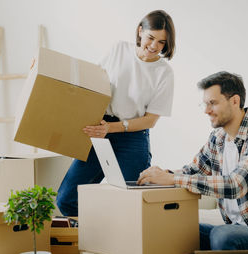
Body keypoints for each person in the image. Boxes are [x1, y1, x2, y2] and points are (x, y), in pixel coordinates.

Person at [137, 71, 248, 252]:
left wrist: (173, 180)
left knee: (223, 235)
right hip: (234, 230)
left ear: (235, 101)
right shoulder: (218, 138)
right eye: (205, 104)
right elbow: (193, 170)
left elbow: (235, 185)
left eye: (212, 103)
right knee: (177, 230)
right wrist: (163, 175)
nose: (206, 111)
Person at [57, 10, 176, 216]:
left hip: (132, 137)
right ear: (140, 31)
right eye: (151, 37)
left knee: (130, 203)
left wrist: (111, 129)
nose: (154, 46)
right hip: (100, 129)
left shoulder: (164, 73)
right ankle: (98, 232)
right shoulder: (119, 49)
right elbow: (90, 80)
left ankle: (116, 237)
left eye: (162, 42)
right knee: (67, 198)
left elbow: (150, 120)